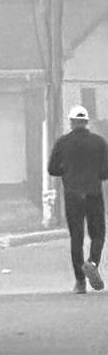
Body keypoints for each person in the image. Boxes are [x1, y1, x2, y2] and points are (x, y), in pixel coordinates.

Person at [47, 104, 108, 294]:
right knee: (98, 234)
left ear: (72, 122)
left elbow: (52, 169)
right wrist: (96, 175)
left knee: (77, 238)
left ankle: (80, 282)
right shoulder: (99, 142)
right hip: (93, 193)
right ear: (87, 122)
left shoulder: (63, 143)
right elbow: (106, 172)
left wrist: (67, 172)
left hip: (72, 195)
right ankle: (92, 262)